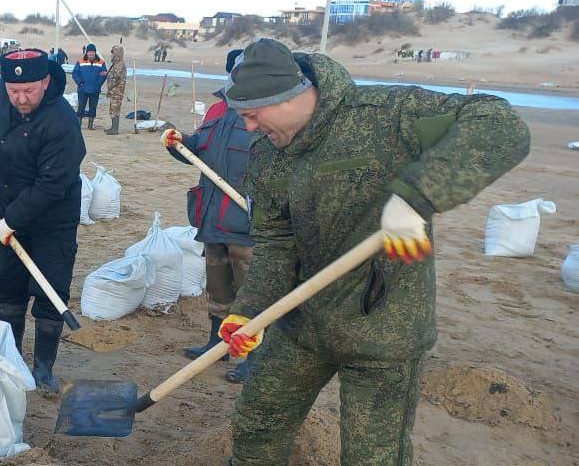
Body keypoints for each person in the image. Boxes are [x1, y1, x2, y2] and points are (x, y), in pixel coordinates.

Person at [221, 38, 529, 465]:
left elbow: (499, 124)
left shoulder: (386, 116)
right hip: (304, 324)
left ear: (288, 97)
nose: (250, 128)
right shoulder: (269, 158)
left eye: (253, 115)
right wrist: (250, 310)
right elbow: (277, 243)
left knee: (373, 456)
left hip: (383, 330)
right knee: (257, 424)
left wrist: (416, 196)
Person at [0, 49, 86, 396]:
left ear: (46, 81)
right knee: (8, 286)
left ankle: (43, 370)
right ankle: (13, 358)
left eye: (30, 91)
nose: (21, 99)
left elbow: (53, 184)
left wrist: (13, 220)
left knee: (51, 290)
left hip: (53, 217)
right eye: (14, 91)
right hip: (7, 204)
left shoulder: (62, 122)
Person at [160, 48, 255, 382]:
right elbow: (199, 149)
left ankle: (254, 358)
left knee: (251, 294)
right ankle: (217, 342)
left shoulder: (262, 115)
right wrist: (179, 143)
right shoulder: (217, 109)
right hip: (213, 219)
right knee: (218, 289)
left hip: (246, 225)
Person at [71, 43, 107, 130]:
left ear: (95, 53)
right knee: (81, 107)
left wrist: (98, 84)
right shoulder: (80, 62)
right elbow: (75, 73)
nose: (91, 54)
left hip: (95, 89)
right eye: (90, 52)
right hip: (83, 89)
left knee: (93, 108)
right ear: (87, 53)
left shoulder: (101, 62)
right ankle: (78, 124)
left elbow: (103, 74)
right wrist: (80, 83)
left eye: (93, 52)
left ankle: (90, 125)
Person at [104, 44, 127, 135]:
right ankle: (113, 127)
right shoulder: (116, 64)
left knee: (115, 109)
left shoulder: (119, 65)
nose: (112, 54)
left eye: (113, 52)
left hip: (117, 91)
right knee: (113, 108)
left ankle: (115, 129)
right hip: (115, 91)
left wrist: (110, 88)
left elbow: (117, 79)